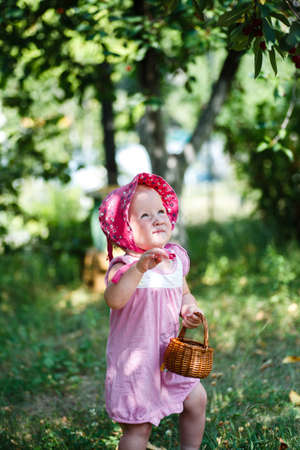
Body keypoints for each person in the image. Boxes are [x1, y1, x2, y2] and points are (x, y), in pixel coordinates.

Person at [99, 172, 207, 450]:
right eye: (145, 215)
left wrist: (190, 309)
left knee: (196, 399)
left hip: (170, 354)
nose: (158, 217)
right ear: (125, 228)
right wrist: (138, 269)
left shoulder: (175, 259)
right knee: (139, 427)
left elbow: (184, 293)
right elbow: (114, 299)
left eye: (161, 210)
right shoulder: (124, 266)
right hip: (136, 360)